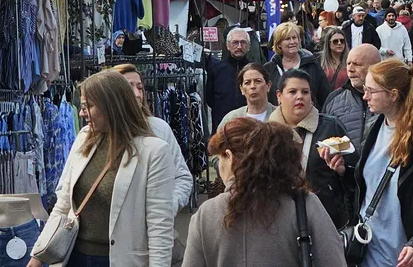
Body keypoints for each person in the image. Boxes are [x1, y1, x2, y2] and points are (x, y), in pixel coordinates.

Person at [29, 69, 175, 267]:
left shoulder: (154, 152)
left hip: (120, 260)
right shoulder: (84, 138)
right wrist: (38, 257)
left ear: (111, 106)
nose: (81, 113)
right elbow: (63, 205)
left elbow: (160, 228)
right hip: (73, 256)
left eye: (87, 106)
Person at [323, 60, 413, 267]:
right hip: (372, 245)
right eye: (365, 90)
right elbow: (369, 184)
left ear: (393, 94)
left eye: (371, 91)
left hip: (411, 249)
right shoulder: (374, 126)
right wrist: (345, 171)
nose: (365, 97)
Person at [181, 118, 345, 267]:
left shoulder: (207, 214)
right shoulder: (305, 205)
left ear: (230, 157)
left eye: (220, 159)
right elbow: (334, 260)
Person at [267, 69, 351, 228]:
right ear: (279, 96)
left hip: (324, 217)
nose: (300, 96)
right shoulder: (266, 133)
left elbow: (355, 173)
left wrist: (343, 170)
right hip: (279, 218)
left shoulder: (330, 126)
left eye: (305, 92)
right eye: (292, 91)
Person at [112, 64, 194, 211]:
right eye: (129, 87)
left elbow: (182, 178)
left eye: (140, 88)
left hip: (149, 228)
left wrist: (166, 208)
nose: (137, 94)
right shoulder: (91, 132)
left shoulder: (159, 128)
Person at [322, 43, 381, 142]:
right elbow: (323, 139)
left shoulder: (391, 99)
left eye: (357, 64)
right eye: (348, 64)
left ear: (375, 66)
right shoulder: (333, 99)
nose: (350, 69)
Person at [265, 22, 331, 108]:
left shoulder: (312, 65)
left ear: (299, 40)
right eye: (287, 39)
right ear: (279, 44)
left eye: (294, 38)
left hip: (309, 117)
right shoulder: (269, 69)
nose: (292, 42)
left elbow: (325, 95)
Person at [207, 28, 253, 126]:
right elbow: (210, 100)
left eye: (243, 42)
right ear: (228, 45)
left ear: (248, 46)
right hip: (222, 125)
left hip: (249, 125)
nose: (239, 46)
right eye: (235, 43)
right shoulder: (216, 69)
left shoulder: (255, 70)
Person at [319, 26, 351, 92]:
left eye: (342, 41)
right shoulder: (319, 61)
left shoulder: (351, 60)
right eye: (335, 41)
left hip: (346, 99)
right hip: (327, 100)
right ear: (328, 43)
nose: (339, 43)